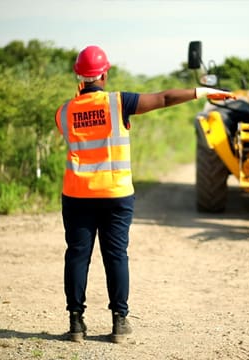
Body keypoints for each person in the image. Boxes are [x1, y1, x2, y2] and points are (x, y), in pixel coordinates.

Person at [55, 45, 233, 344]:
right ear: (105, 73)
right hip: (115, 193)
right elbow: (163, 98)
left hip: (77, 194)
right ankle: (120, 323)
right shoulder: (119, 102)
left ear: (78, 75)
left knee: (77, 255)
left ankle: (76, 324)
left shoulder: (63, 112)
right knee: (115, 256)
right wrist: (202, 92)